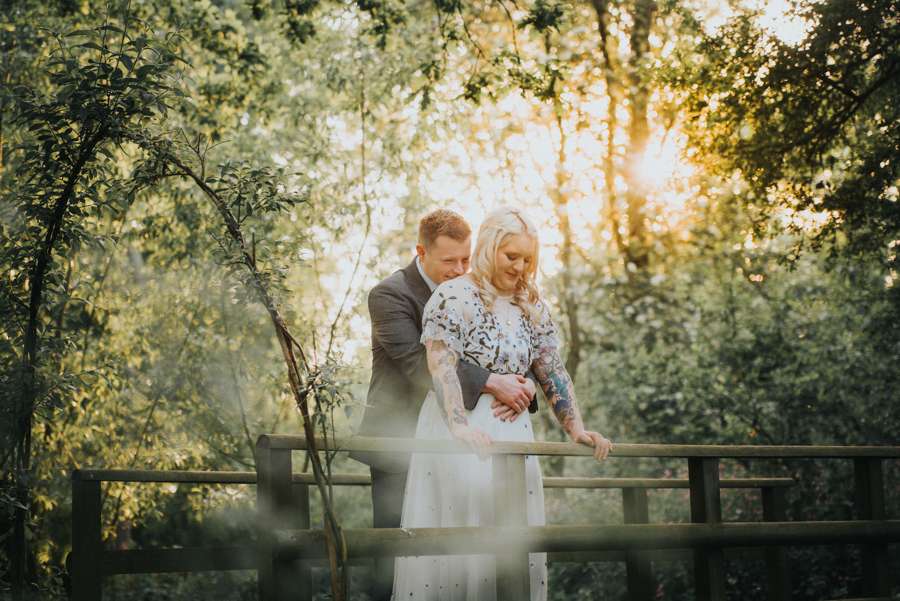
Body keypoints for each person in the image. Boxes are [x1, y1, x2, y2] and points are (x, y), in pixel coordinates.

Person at [393, 207, 612, 600]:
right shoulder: (452, 295)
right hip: (462, 432)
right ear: (488, 247)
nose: (520, 267)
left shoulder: (531, 302)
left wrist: (576, 428)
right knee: (465, 546)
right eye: (512, 256)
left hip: (515, 436)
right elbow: (441, 365)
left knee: (513, 546)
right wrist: (459, 425)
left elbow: (550, 367)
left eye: (528, 258)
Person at [352, 209, 540, 601]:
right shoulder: (389, 295)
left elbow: (502, 346)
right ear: (421, 252)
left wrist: (524, 386)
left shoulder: (479, 292)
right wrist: (492, 382)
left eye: (465, 259)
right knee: (397, 555)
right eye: (448, 261)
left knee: (459, 554)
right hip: (399, 444)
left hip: (459, 445)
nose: (458, 270)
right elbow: (416, 363)